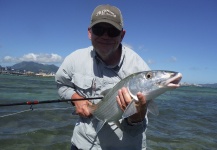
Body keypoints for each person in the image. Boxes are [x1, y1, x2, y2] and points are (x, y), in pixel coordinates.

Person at [55, 4, 150, 150]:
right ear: (89, 32)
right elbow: (62, 85)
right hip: (83, 145)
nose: (105, 36)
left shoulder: (141, 71)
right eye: (99, 30)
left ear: (122, 35)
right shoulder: (73, 60)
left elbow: (136, 131)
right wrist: (75, 98)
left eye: (112, 31)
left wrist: (135, 119)